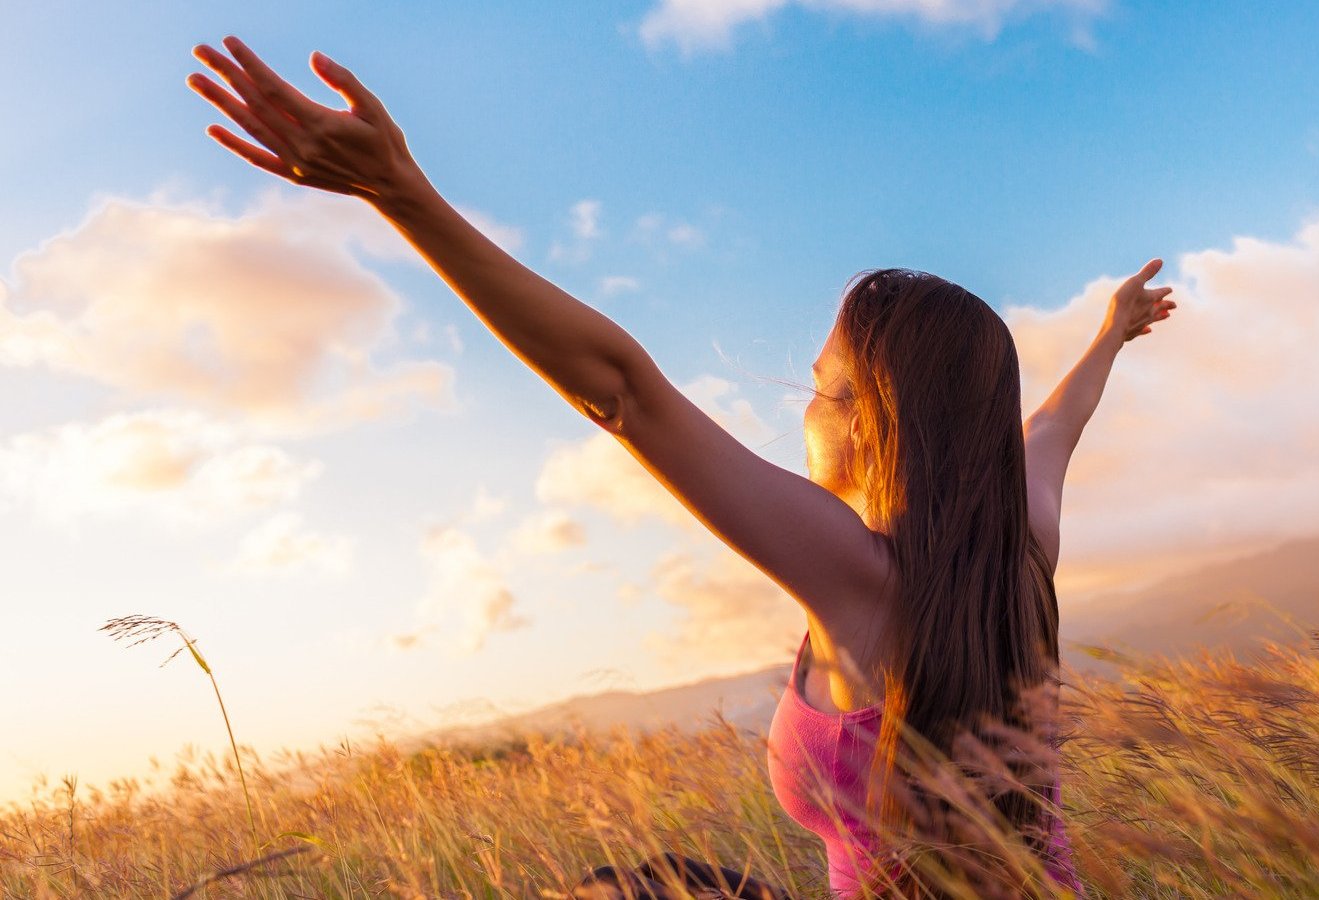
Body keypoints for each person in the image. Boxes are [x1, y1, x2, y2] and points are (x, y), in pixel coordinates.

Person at [187, 37, 1176, 899]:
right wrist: (1110, 335)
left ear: (878, 426)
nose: (804, 407)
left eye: (824, 388)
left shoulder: (858, 580)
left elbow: (623, 390)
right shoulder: (1022, 536)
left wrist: (397, 193)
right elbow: (1051, 426)